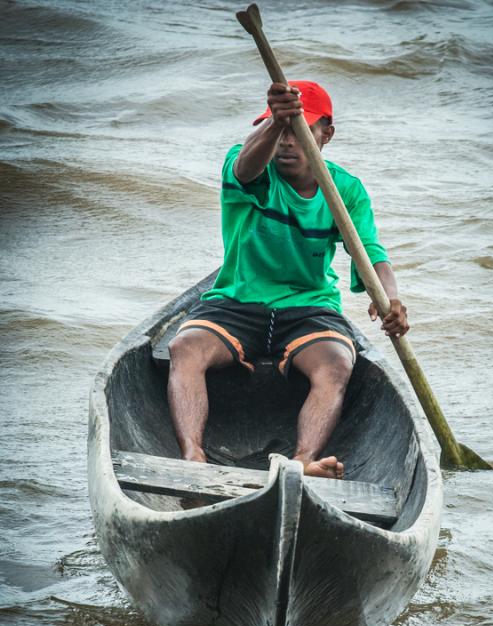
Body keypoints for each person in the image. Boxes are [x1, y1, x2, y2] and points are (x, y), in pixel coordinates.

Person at [168, 81, 409, 480]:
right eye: (278, 132)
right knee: (184, 348)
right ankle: (193, 459)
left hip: (309, 306)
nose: (285, 143)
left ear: (325, 136)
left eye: (298, 132)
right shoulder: (250, 163)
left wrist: (392, 301)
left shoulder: (344, 190)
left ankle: (302, 462)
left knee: (336, 364)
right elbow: (246, 168)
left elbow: (371, 255)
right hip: (237, 299)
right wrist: (277, 122)